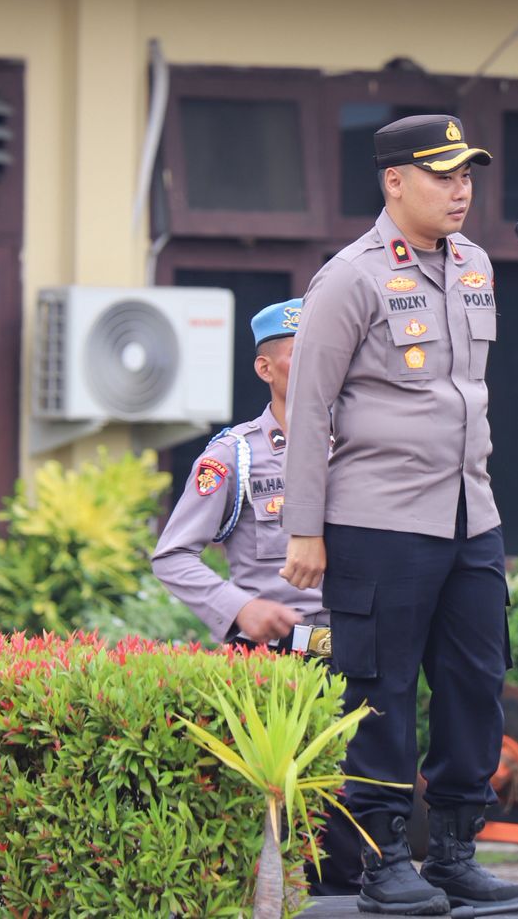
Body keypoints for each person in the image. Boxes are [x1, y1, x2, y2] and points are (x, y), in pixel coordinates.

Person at [280, 115, 518, 914]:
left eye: (467, 175)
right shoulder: (349, 278)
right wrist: (305, 529)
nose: (461, 190)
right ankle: (383, 861)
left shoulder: (474, 264)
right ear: (394, 181)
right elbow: (309, 407)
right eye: (442, 175)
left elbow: (467, 394)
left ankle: (454, 852)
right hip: (378, 521)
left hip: (470, 514)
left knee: (475, 681)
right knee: (380, 690)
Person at [150, 298, 360, 895]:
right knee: (271, 824)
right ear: (265, 368)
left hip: (357, 654)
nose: (317, 364)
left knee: (353, 824)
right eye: (299, 355)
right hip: (277, 659)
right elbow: (172, 555)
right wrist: (240, 608)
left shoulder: (362, 446)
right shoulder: (235, 456)